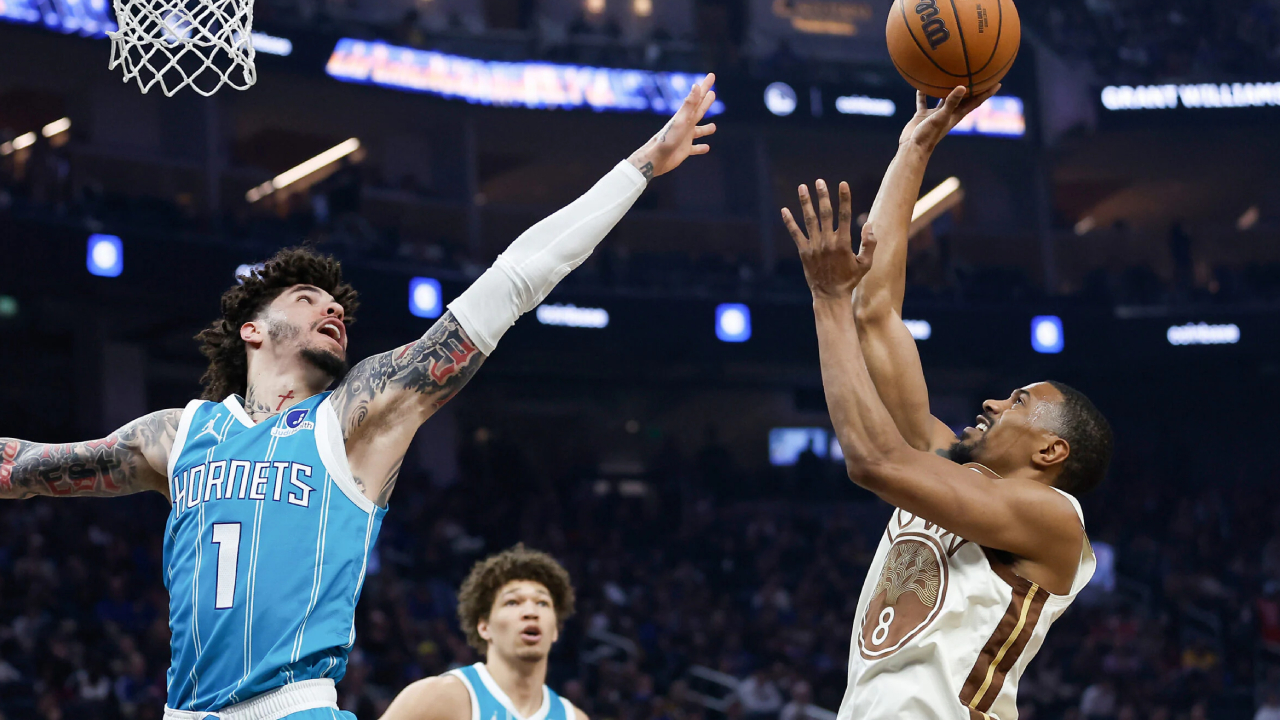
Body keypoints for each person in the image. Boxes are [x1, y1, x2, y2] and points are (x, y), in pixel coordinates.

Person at [0, 74, 719, 720]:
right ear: (253, 330)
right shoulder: (178, 435)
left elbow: (512, 282)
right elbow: (30, 467)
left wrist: (640, 169)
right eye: (310, 299)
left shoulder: (356, 417)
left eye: (339, 307)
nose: (334, 311)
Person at [780, 86, 1113, 720]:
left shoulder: (1054, 520)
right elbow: (875, 312)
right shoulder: (951, 468)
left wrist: (825, 304)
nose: (992, 401)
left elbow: (873, 460)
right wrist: (915, 146)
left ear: (1052, 448)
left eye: (1017, 400)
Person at [380, 545, 583, 720]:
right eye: (512, 602)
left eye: (542, 603)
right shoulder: (439, 696)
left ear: (555, 629)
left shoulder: (574, 717)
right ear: (484, 626)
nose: (531, 612)